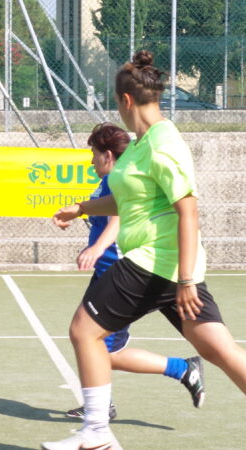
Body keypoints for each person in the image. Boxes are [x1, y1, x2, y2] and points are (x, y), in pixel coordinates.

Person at [42, 51, 246, 450]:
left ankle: (94, 430)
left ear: (127, 100)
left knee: (84, 331)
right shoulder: (142, 145)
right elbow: (127, 199)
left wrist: (186, 280)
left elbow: (189, 212)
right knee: (218, 349)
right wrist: (81, 207)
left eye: (115, 102)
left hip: (156, 263)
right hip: (166, 267)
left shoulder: (165, 145)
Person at [57, 122, 204, 421]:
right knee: (91, 343)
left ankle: (182, 369)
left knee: (97, 347)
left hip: (122, 271)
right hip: (108, 271)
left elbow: (118, 218)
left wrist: (97, 248)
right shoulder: (114, 178)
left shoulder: (118, 179)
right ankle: (102, 404)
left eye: (94, 154)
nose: (91, 161)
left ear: (108, 156)